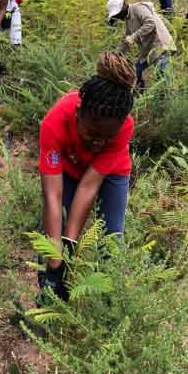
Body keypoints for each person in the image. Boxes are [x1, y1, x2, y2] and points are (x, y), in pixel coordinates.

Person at [37, 52, 136, 302]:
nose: (97, 143)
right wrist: (56, 261)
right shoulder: (54, 123)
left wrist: (70, 243)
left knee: (112, 236)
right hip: (69, 170)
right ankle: (49, 291)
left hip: (112, 173)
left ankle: (108, 300)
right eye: (91, 133)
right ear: (79, 113)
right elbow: (53, 195)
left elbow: (89, 187)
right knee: (51, 233)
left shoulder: (124, 126)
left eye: (106, 137)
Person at [107, 0, 176, 92]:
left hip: (160, 44)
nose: (118, 17)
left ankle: (167, 96)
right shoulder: (128, 19)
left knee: (162, 71)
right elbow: (126, 40)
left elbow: (150, 23)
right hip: (148, 49)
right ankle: (139, 92)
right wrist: (116, 55)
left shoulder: (138, 8)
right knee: (136, 70)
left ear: (124, 6)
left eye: (118, 14)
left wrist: (134, 37)